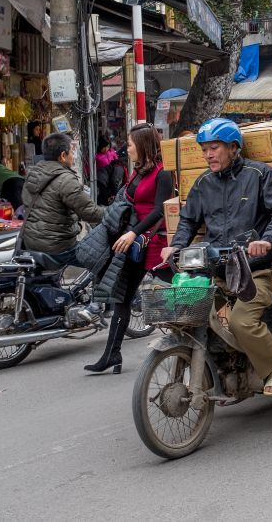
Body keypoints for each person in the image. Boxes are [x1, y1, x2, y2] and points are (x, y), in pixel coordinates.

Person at [163, 118, 272, 396]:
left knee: (241, 322)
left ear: (234, 148)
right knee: (188, 311)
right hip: (216, 273)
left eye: (215, 147)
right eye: (204, 149)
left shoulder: (259, 175)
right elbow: (188, 221)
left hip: (253, 273)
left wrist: (267, 240)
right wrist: (175, 246)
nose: (208, 154)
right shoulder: (203, 183)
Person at [85, 123, 173, 374]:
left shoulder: (162, 172)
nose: (127, 149)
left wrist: (134, 232)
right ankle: (111, 354)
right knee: (122, 296)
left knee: (182, 284)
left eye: (131, 144)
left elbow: (160, 209)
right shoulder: (139, 171)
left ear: (143, 146)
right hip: (133, 241)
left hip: (154, 242)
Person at [21, 132, 106, 264]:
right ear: (63, 156)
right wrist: (114, 212)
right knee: (104, 259)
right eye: (71, 152)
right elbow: (90, 213)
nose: (73, 156)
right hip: (58, 247)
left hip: (31, 242)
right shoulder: (65, 179)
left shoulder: (34, 173)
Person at [95, 137, 125, 205]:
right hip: (104, 179)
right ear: (100, 146)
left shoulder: (111, 152)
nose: (106, 149)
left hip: (113, 178)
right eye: (104, 147)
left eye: (108, 146)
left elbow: (117, 164)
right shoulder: (97, 156)